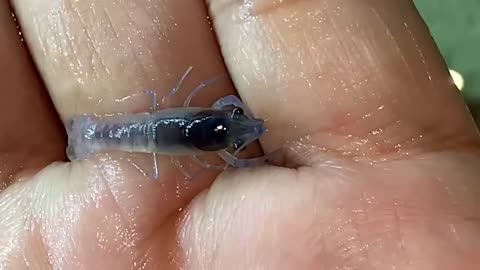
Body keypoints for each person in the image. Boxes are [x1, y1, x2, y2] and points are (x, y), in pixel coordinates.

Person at [1, 1, 479, 269]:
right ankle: (92, 136)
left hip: (145, 130)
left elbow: (216, 112)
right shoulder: (213, 136)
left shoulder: (215, 126)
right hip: (127, 133)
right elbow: (221, 126)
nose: (244, 129)